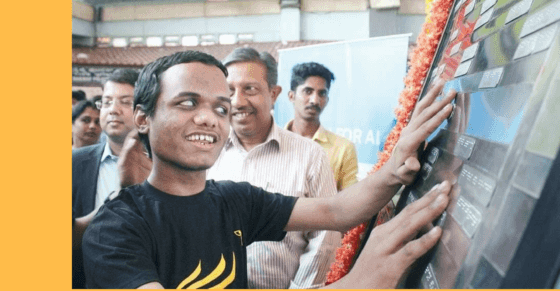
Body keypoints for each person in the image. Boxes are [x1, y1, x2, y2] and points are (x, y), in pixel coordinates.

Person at [80, 50, 456, 289]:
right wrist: (357, 283)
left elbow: (335, 210)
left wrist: (394, 169)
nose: (209, 118)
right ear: (143, 119)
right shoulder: (115, 227)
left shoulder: (232, 199)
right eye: (188, 103)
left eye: (220, 107)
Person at [204, 48, 339, 288]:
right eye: (230, 91)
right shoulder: (206, 152)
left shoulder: (310, 155)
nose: (238, 101)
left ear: (273, 93)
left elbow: (325, 238)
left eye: (250, 89)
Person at [72, 68, 146, 288]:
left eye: (125, 102)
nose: (113, 109)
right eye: (106, 102)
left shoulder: (165, 164)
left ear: (144, 110)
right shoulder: (72, 164)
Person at [286, 62, 359, 190]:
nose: (315, 100)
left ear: (327, 100)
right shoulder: (271, 141)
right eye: (308, 91)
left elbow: (350, 198)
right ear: (292, 96)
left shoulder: (343, 149)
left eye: (322, 93)